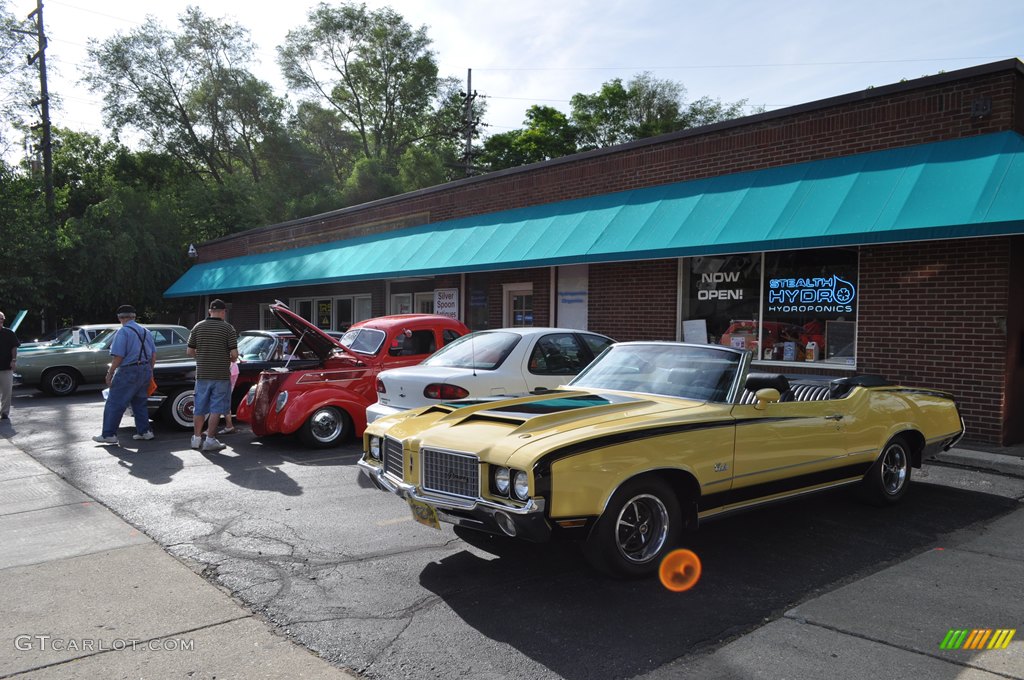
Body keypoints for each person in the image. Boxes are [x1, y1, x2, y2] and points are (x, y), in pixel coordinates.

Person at [92, 305, 157, 445]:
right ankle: (145, 431)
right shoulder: (146, 331)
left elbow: (119, 356)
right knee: (140, 402)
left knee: (114, 403)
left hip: (128, 370)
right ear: (134, 316)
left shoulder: (123, 332)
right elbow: (153, 355)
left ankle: (109, 434)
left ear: (120, 318)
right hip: (145, 369)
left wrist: (110, 373)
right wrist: (149, 371)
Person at [187, 299, 238, 451]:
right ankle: (210, 439)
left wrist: (202, 357)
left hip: (202, 373)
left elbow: (189, 351)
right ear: (223, 312)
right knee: (216, 408)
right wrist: (230, 358)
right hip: (221, 374)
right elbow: (234, 354)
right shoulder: (228, 328)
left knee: (199, 407)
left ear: (210, 311)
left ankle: (196, 439)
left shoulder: (198, 326)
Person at [0, 311, 20, 420]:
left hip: (6, 367)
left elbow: (14, 347)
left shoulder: (9, 333)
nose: (0, 320)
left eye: (1, 318)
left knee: (6, 392)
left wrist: (14, 360)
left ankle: (4, 413)